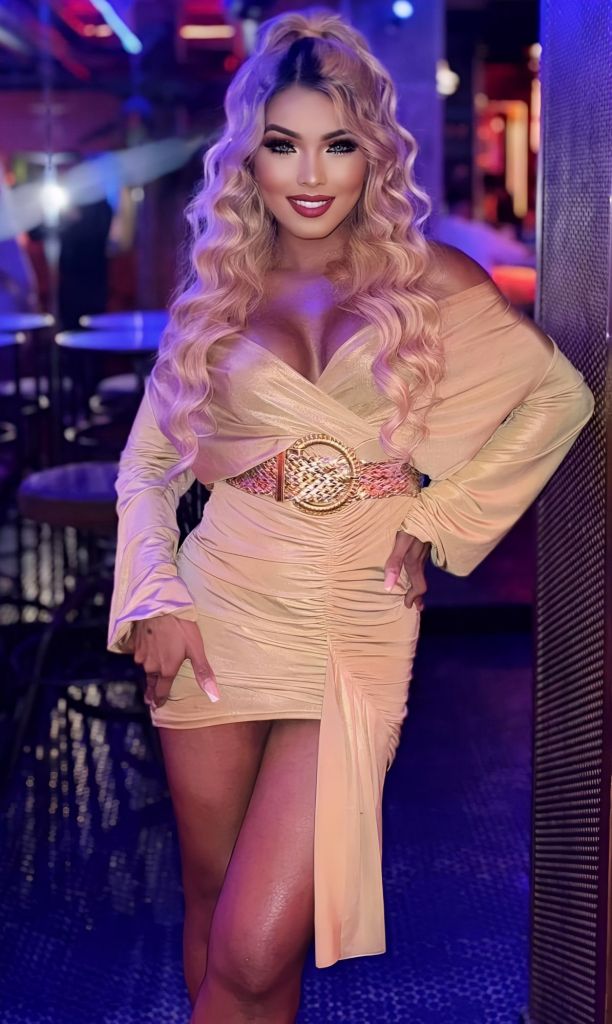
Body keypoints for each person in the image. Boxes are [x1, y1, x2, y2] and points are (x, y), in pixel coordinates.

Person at [106, 9, 595, 1023]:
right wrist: (153, 594)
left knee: (254, 942)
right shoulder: (218, 293)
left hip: (357, 613)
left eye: (337, 143)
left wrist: (439, 515)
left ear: (374, 152)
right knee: (214, 906)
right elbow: (148, 465)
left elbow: (559, 399)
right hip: (219, 602)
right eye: (282, 144)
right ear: (250, 157)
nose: (310, 173)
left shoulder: (429, 281)